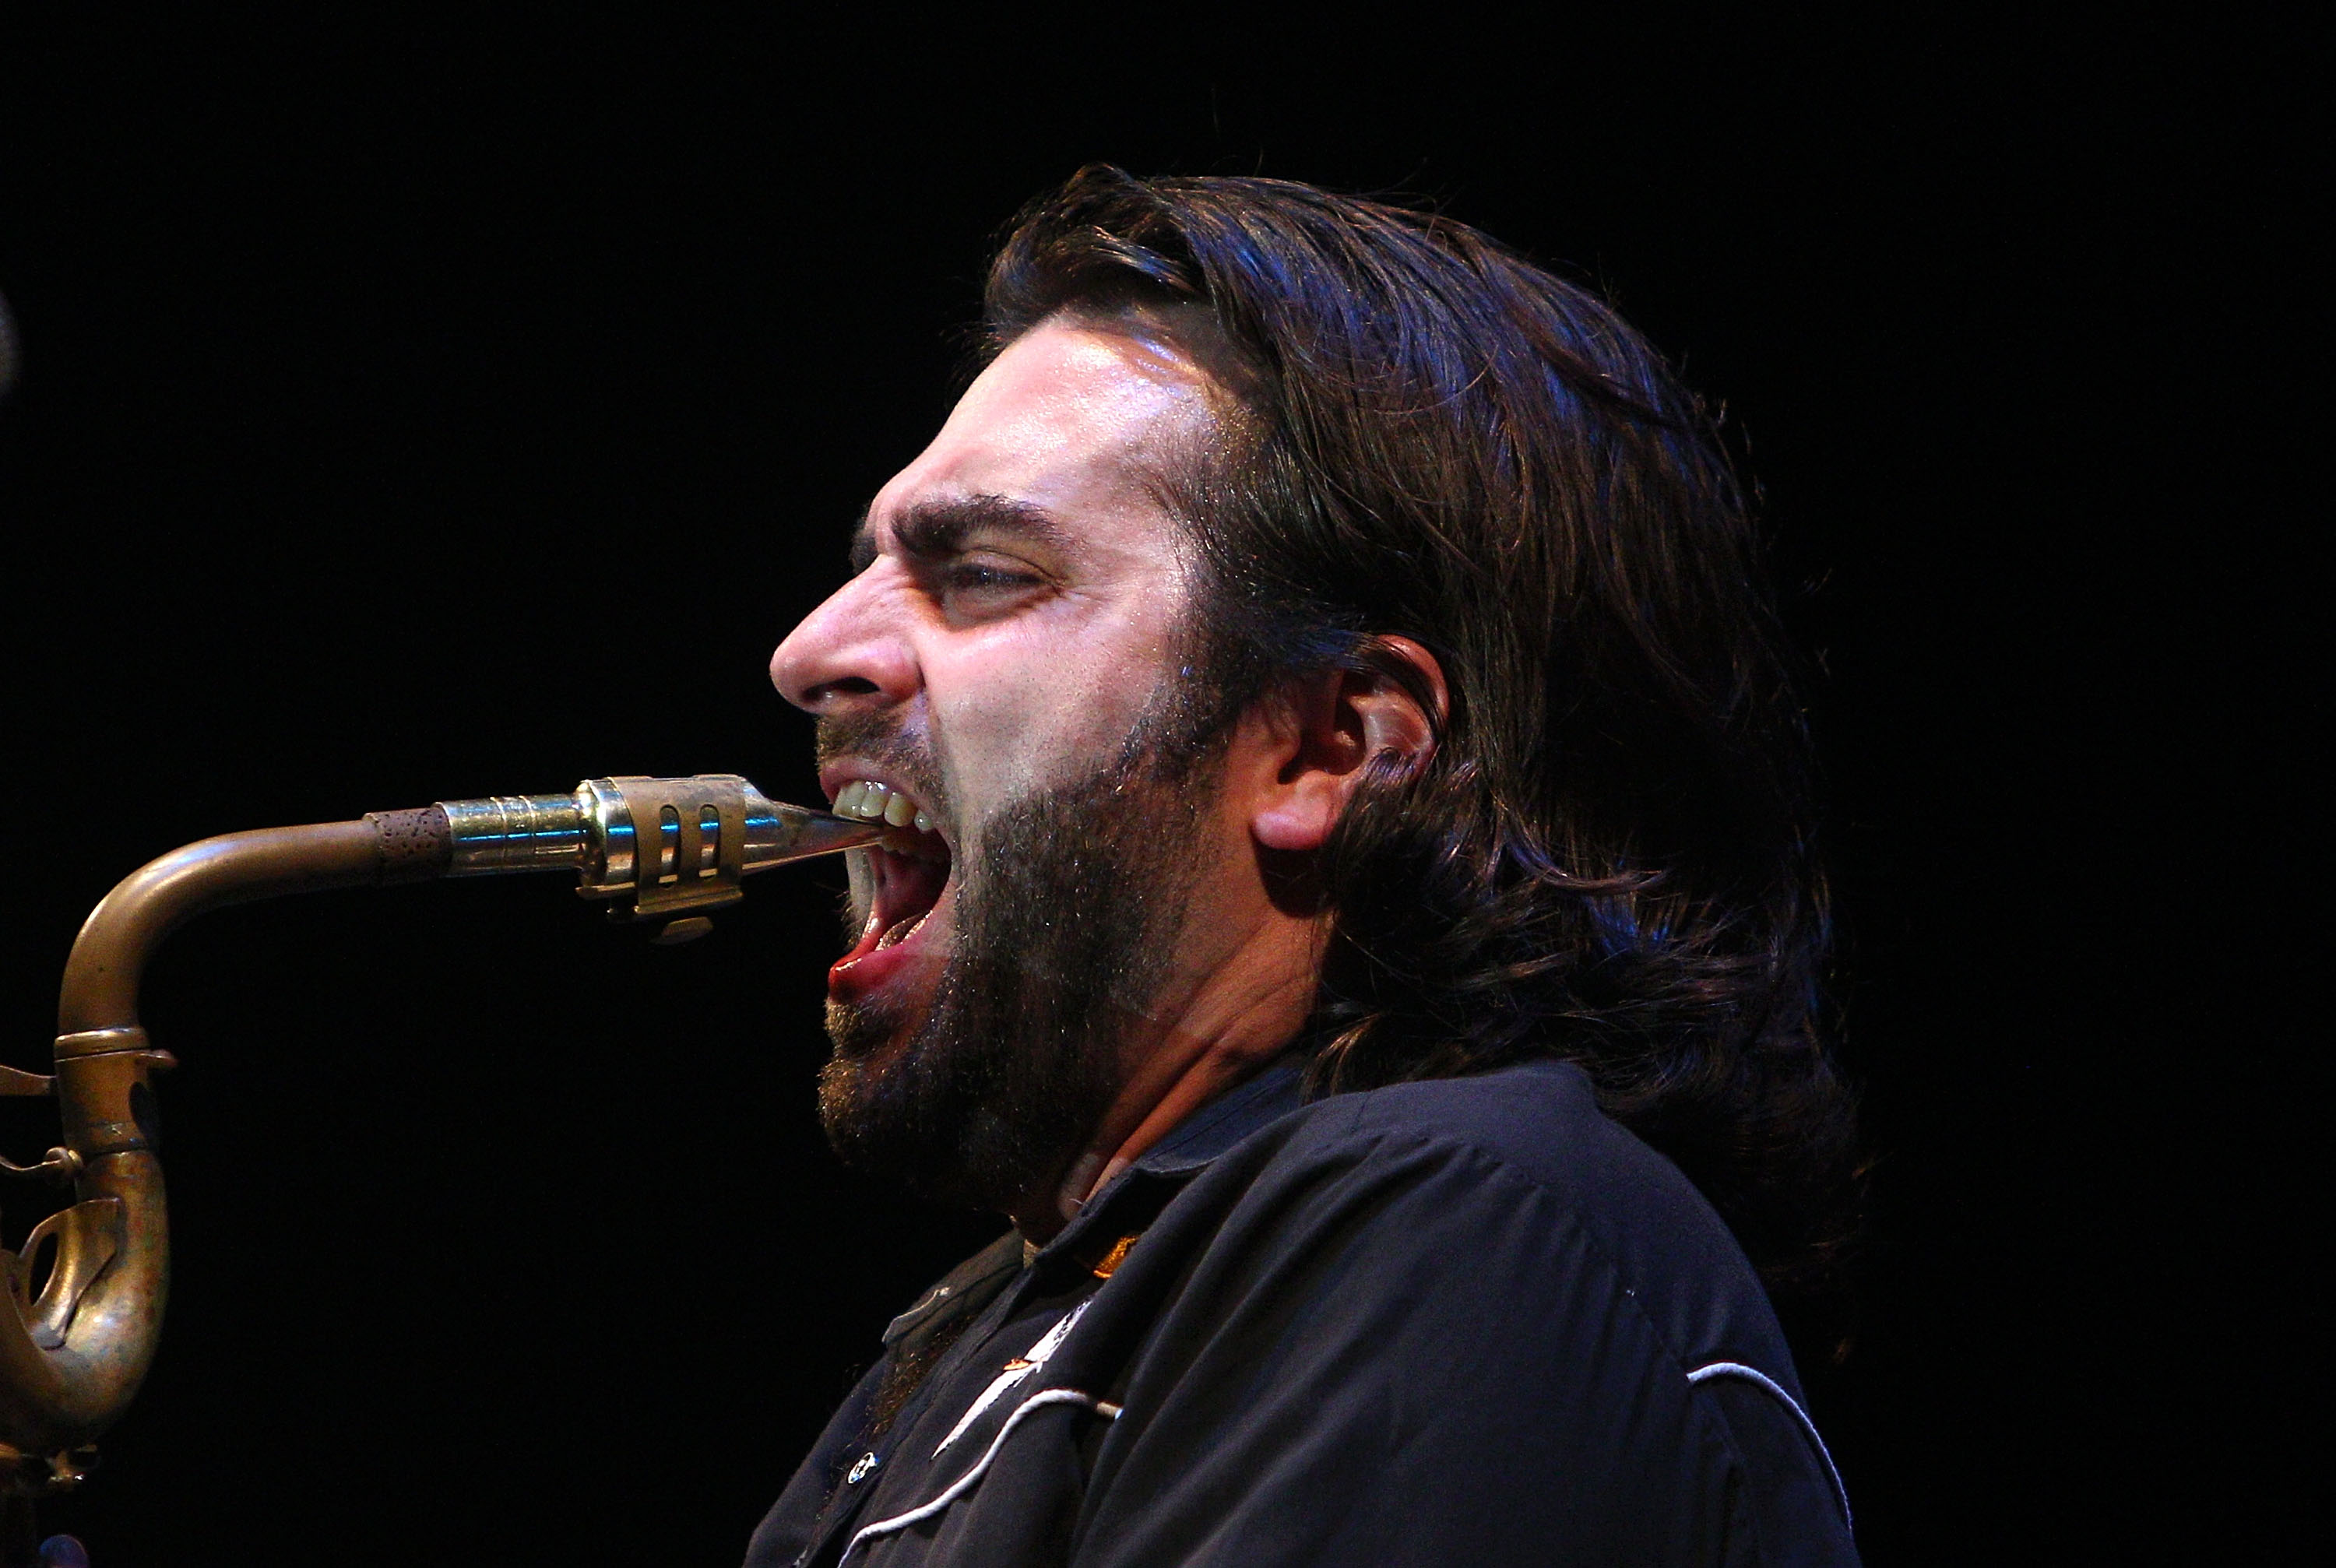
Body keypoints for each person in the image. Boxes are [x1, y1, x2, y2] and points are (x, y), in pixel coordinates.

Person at [747, 166, 1862, 1567]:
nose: (810, 652)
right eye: (869, 566)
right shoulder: (992, 1337)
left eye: (981, 573)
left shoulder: (1462, 1222)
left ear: (1332, 746)